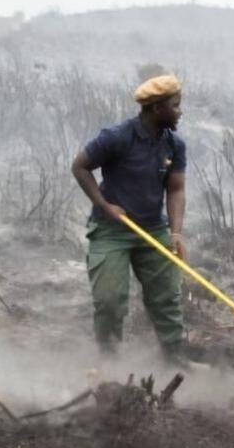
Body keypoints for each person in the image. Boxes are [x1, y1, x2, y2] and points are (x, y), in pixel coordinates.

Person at [72, 74, 190, 362]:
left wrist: (175, 233)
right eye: (175, 106)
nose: (180, 111)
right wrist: (104, 204)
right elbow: (80, 167)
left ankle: (176, 360)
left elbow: (175, 189)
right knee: (109, 301)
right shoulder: (116, 137)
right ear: (156, 108)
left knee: (167, 301)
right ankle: (109, 365)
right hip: (111, 230)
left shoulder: (174, 145)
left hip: (154, 230)